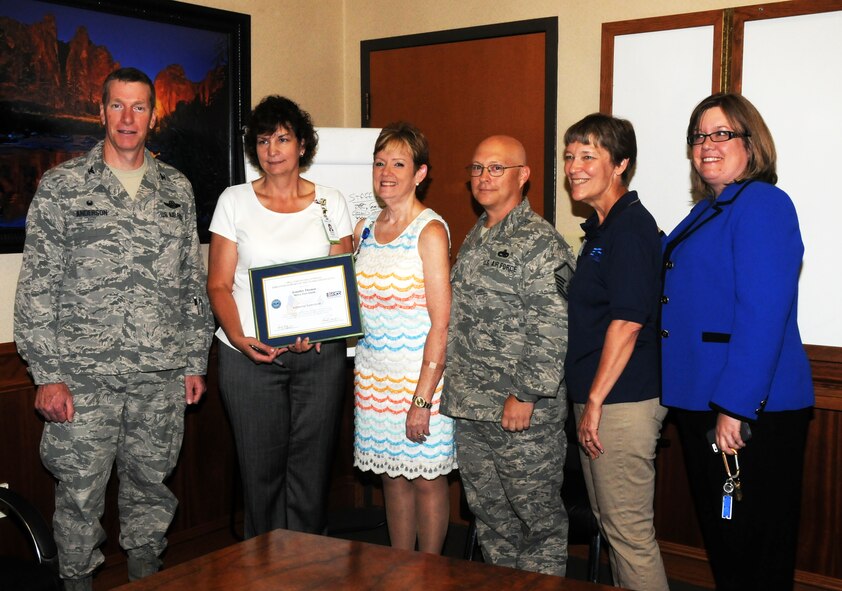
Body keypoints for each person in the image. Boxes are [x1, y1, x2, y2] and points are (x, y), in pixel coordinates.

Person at [13, 67, 214, 591]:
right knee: (79, 497)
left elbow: (190, 281)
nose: (128, 118)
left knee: (151, 492)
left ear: (153, 114)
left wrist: (195, 360)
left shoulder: (176, 188)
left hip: (160, 376)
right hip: (81, 379)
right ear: (101, 112)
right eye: (118, 106)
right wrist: (46, 374)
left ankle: (148, 578)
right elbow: (36, 288)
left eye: (140, 107)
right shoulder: (62, 186)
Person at [661, 93, 814, 591]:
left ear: (752, 143)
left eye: (722, 133)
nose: (708, 145)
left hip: (748, 410)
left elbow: (763, 313)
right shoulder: (709, 210)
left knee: (756, 555)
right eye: (699, 136)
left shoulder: (764, 204)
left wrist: (735, 406)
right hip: (703, 400)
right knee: (728, 549)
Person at [206, 95, 352, 539]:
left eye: (283, 139)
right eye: (264, 140)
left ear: (302, 145)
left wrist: (319, 332)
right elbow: (218, 284)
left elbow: (339, 281)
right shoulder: (233, 201)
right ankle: (262, 574)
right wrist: (241, 337)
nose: (272, 149)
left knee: (310, 480)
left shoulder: (330, 202)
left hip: (319, 357)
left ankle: (310, 575)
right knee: (261, 477)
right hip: (248, 358)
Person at [442, 135, 573, 575]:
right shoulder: (478, 233)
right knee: (491, 521)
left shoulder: (541, 243)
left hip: (520, 413)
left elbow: (552, 327)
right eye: (477, 168)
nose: (484, 177)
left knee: (537, 525)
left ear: (524, 175)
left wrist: (527, 394)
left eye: (496, 168)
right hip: (474, 409)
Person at [563, 114, 668, 590]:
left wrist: (596, 405)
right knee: (612, 526)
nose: (574, 167)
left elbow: (627, 324)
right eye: (569, 156)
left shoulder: (630, 230)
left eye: (589, 156)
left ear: (620, 164)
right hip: (600, 398)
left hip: (621, 402)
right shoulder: (603, 229)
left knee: (628, 533)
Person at [353, 122, 456, 553]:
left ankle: (429, 576)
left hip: (421, 381)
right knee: (391, 479)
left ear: (420, 174)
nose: (387, 172)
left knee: (428, 482)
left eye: (399, 163)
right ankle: (399, 572)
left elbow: (441, 323)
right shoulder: (362, 229)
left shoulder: (430, 231)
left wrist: (421, 400)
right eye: (380, 163)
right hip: (373, 381)